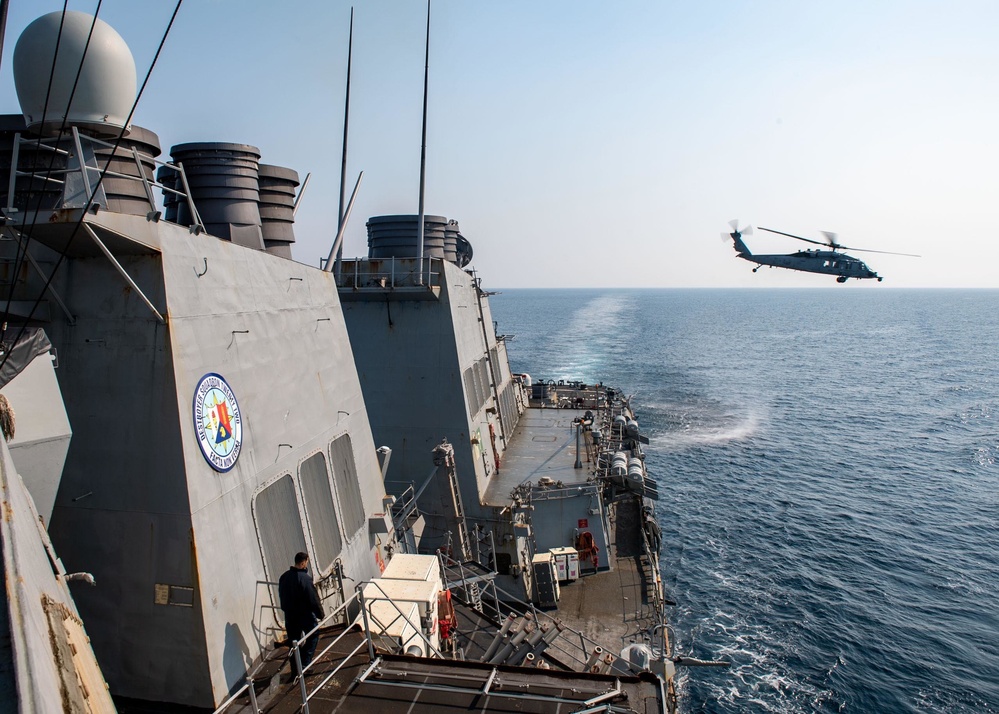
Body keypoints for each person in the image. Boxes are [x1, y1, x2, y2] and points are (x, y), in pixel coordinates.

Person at [278, 552, 324, 675]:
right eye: (306, 562)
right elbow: (313, 598)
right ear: (303, 562)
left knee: (294, 643)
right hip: (304, 615)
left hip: (289, 615)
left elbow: (282, 595)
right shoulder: (304, 579)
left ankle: (295, 669)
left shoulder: (284, 577)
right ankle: (304, 665)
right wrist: (320, 614)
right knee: (313, 635)